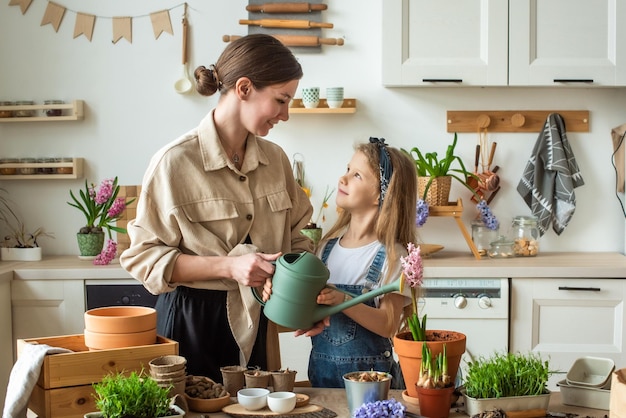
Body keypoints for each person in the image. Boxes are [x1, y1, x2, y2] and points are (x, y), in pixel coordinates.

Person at [119, 34, 317, 383]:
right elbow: (143, 258)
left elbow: (298, 241)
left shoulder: (276, 161)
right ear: (244, 88)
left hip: (258, 320)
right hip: (190, 323)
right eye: (281, 100)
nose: (286, 114)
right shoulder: (175, 162)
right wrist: (230, 266)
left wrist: (306, 297)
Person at [307, 137, 417, 388]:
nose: (342, 179)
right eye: (347, 169)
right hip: (322, 382)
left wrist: (343, 300)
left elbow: (389, 325)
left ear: (382, 194)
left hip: (373, 387)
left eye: (357, 175)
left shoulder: (392, 256)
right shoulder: (325, 249)